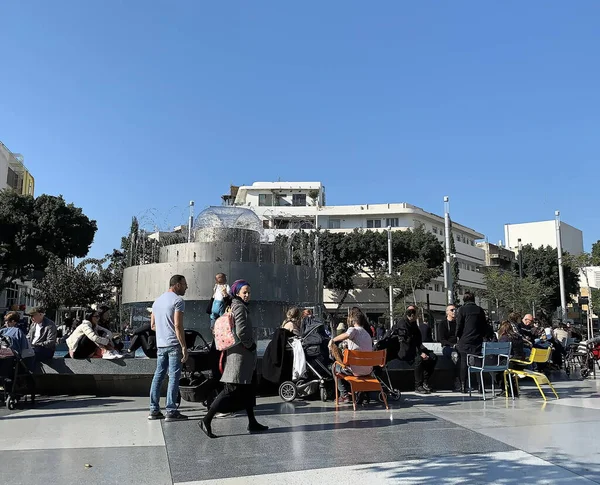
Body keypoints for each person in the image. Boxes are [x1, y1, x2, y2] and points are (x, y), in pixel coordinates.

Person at [199, 279, 268, 438]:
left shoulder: (235, 305)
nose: (247, 295)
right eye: (244, 292)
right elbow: (242, 331)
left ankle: (252, 422)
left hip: (243, 355)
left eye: (249, 292)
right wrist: (250, 345)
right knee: (230, 389)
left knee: (248, 389)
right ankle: (206, 420)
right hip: (240, 355)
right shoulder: (238, 307)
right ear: (237, 292)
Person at [148, 275, 189, 422]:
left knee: (158, 375)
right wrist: (184, 346)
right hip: (173, 344)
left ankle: (153, 410)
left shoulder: (157, 301)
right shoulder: (178, 301)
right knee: (173, 377)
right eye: (184, 284)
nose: (186, 287)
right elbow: (178, 326)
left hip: (161, 345)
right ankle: (171, 410)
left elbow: (152, 326)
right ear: (177, 285)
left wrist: (164, 329)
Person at [329, 307, 374, 403]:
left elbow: (347, 334)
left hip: (355, 370)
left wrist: (333, 340)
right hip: (368, 370)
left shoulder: (354, 330)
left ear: (353, 320)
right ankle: (360, 390)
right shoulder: (367, 334)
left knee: (335, 366)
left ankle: (344, 394)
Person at [391, 306, 437, 394]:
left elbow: (418, 341)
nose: (418, 316)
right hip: (404, 352)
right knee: (419, 359)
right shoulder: (402, 324)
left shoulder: (414, 325)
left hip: (414, 349)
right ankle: (418, 386)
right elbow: (404, 344)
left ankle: (425, 381)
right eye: (417, 314)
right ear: (412, 315)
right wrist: (419, 353)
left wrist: (424, 351)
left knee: (433, 357)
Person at [456, 292, 489, 393]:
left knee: (463, 363)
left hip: (465, 340)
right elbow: (484, 325)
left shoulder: (461, 309)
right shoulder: (479, 310)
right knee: (478, 362)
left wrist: (458, 335)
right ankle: (480, 386)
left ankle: (463, 386)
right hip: (477, 340)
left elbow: (459, 325)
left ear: (464, 300)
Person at [437, 304, 462, 392]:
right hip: (447, 347)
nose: (454, 311)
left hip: (458, 346)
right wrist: (452, 345)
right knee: (454, 355)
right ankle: (456, 381)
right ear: (447, 312)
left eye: (455, 310)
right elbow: (442, 339)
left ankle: (464, 381)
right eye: (452, 310)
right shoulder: (442, 323)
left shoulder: (458, 323)